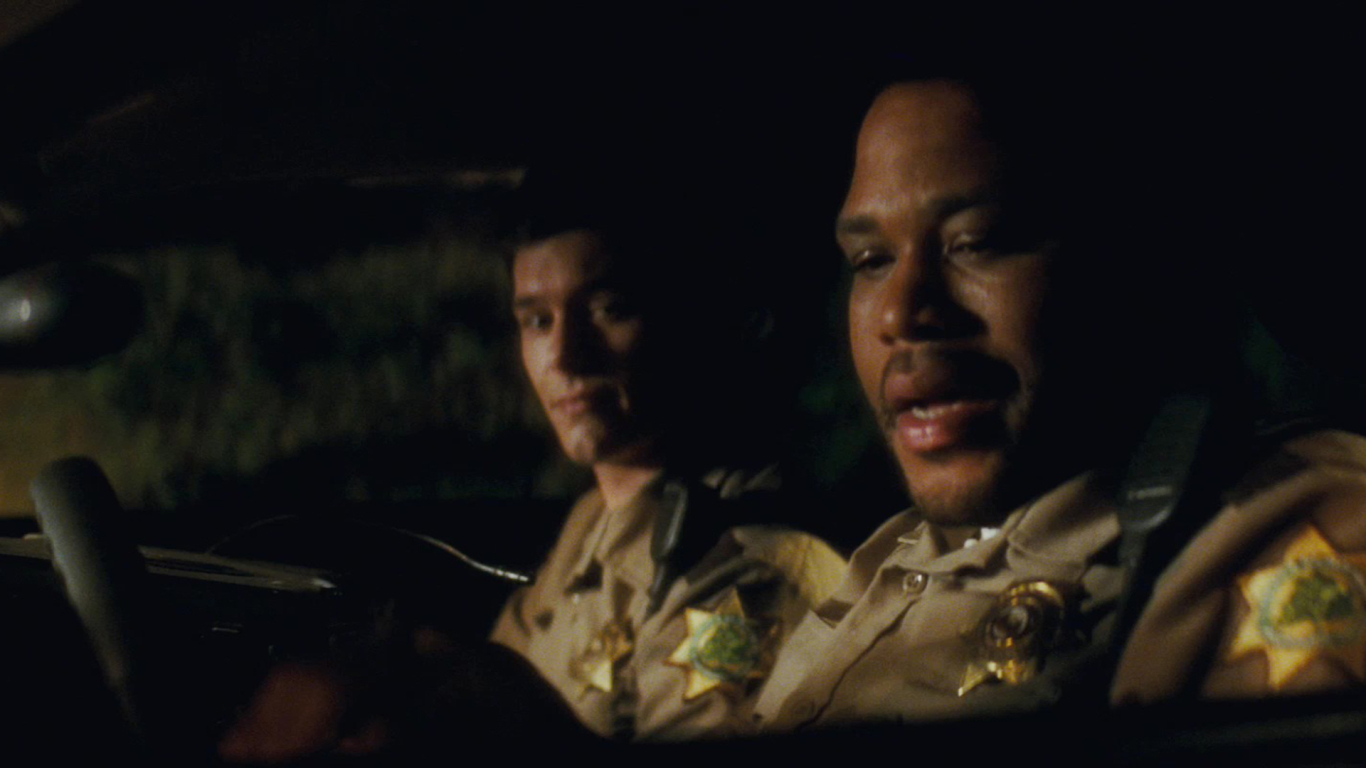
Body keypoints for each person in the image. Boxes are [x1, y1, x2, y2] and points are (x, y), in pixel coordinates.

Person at [751, 73, 1366, 730]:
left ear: (1127, 256)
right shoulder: (883, 562)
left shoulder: (1280, 533)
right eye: (872, 260)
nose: (901, 314)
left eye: (976, 242)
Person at [218, 168, 845, 761]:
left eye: (609, 308)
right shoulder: (592, 526)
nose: (564, 357)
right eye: (538, 320)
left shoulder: (751, 573)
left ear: (693, 317)